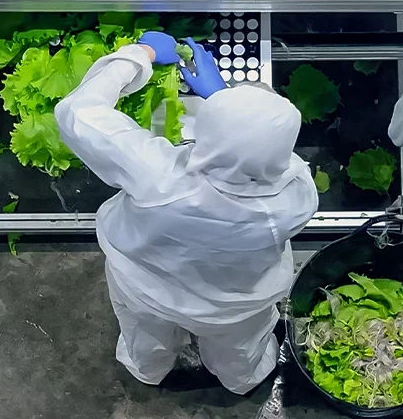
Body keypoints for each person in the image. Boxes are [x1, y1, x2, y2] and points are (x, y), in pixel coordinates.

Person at [54, 31, 319, 393]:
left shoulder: (156, 175)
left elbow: (78, 113)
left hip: (146, 289)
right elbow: (273, 160)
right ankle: (242, 382)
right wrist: (225, 101)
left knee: (147, 338)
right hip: (235, 307)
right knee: (240, 353)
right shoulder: (296, 198)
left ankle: (147, 370)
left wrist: (140, 54)